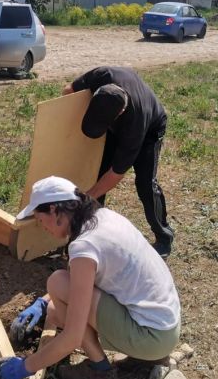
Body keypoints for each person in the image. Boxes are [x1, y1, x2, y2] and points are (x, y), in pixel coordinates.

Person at [0, 176, 181, 379]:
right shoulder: (102, 216)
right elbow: (80, 279)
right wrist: (43, 303)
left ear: (55, 210)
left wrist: (26, 367)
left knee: (57, 284)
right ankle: (147, 356)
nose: (41, 226)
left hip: (152, 338)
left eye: (40, 219)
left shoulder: (84, 247)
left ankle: (100, 371)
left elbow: (73, 337)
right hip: (166, 325)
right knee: (55, 307)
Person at [62, 66, 174, 258]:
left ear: (119, 113)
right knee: (98, 171)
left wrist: (86, 198)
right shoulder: (102, 75)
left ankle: (164, 236)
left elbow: (115, 174)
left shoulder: (134, 126)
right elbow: (69, 91)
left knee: (145, 183)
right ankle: (89, 230)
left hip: (151, 129)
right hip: (119, 114)